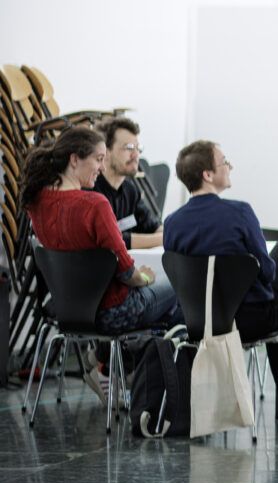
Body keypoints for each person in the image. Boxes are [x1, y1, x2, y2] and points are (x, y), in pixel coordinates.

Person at [22, 125, 181, 400]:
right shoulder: (94, 205)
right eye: (98, 159)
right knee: (179, 290)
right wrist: (144, 277)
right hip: (111, 312)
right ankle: (160, 392)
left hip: (66, 312)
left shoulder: (37, 201)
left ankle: (114, 370)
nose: (101, 166)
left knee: (166, 313)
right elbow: (126, 270)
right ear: (74, 160)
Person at [162, 140, 278, 430]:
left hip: (200, 322)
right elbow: (265, 270)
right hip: (251, 322)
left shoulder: (173, 223)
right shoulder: (240, 212)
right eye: (224, 161)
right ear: (208, 175)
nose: (230, 166)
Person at [94, 117, 162, 250]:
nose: (136, 155)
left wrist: (170, 234)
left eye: (138, 148)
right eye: (129, 148)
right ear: (105, 152)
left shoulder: (131, 191)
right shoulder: (90, 191)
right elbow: (113, 240)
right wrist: (165, 238)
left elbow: (153, 227)